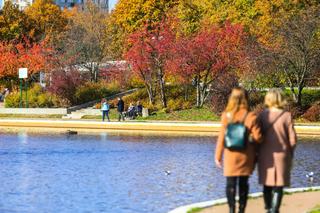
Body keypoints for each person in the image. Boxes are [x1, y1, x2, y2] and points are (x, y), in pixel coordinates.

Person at [215, 87, 262, 213]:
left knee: (230, 184)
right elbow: (258, 138)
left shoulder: (226, 115)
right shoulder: (251, 116)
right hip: (246, 155)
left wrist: (218, 156)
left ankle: (231, 209)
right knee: (243, 184)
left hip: (230, 155)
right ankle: (241, 210)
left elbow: (221, 138)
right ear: (246, 99)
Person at [257, 89, 297, 213]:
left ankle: (268, 207)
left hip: (265, 154)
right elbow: (293, 139)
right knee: (279, 185)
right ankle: (275, 210)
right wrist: (290, 153)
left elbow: (257, 135)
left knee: (266, 183)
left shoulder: (262, 115)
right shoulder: (286, 116)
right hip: (282, 154)